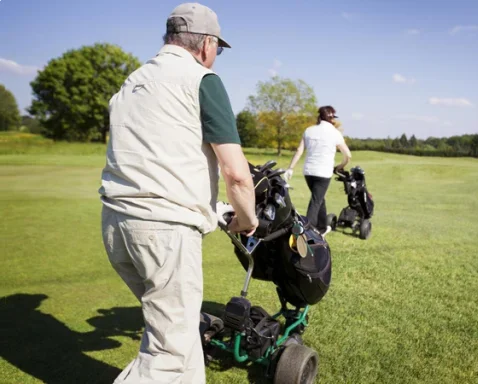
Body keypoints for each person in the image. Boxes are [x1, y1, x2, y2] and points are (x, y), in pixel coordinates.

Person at [98, 3, 258, 383]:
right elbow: (236, 174)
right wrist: (247, 220)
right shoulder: (202, 80)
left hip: (115, 225)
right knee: (168, 351)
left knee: (182, 334)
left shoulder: (134, 80)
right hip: (163, 231)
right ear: (206, 44)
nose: (216, 56)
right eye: (218, 48)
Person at [285, 106, 352, 235]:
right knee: (316, 200)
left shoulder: (309, 131)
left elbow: (299, 151)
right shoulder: (335, 133)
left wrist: (290, 168)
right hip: (323, 173)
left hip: (308, 172)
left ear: (319, 117)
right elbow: (348, 155)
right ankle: (306, 232)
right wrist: (340, 166)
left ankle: (322, 227)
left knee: (319, 197)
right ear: (332, 119)